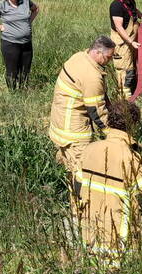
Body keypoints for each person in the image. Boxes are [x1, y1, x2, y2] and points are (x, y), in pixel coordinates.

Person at [73, 100, 142, 261]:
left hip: (89, 241)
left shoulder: (89, 150)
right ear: (133, 125)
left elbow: (77, 189)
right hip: (119, 247)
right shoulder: (133, 159)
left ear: (109, 121)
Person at [49, 36, 115, 174]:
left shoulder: (80, 56)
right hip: (73, 130)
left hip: (59, 119)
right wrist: (112, 133)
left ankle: (62, 180)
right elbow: (96, 111)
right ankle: (76, 187)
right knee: (82, 169)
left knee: (65, 160)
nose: (110, 61)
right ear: (98, 52)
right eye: (108, 57)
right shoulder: (92, 77)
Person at [110, 0, 142, 99]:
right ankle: (124, 97)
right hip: (122, 43)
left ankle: (133, 91)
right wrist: (131, 42)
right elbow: (119, 27)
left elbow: (134, 10)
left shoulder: (130, 0)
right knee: (125, 69)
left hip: (131, 41)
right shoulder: (116, 6)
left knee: (133, 66)